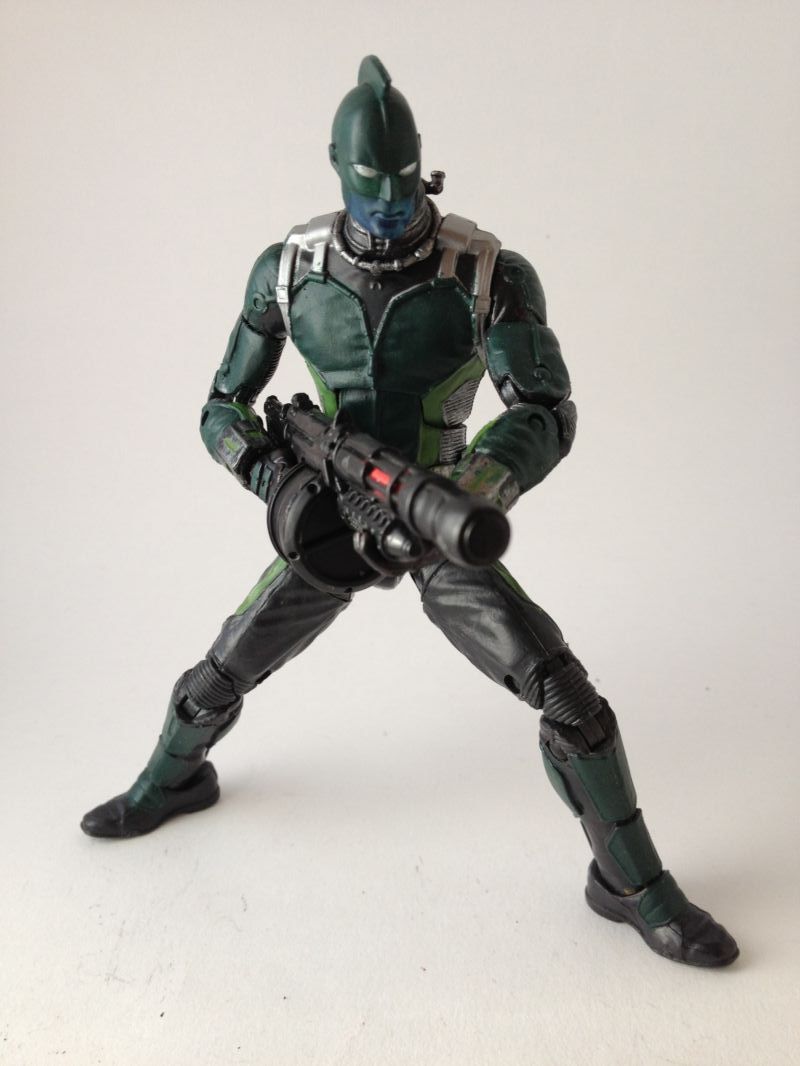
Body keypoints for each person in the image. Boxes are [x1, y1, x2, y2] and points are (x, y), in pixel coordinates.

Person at [82, 56, 738, 967]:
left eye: (403, 184)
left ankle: (630, 884)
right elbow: (221, 409)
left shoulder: (485, 272)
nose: (390, 206)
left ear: (424, 169)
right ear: (336, 170)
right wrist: (275, 480)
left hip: (434, 514)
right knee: (218, 675)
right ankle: (171, 781)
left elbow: (546, 409)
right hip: (326, 518)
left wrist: (476, 488)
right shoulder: (288, 272)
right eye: (370, 188)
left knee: (570, 703)